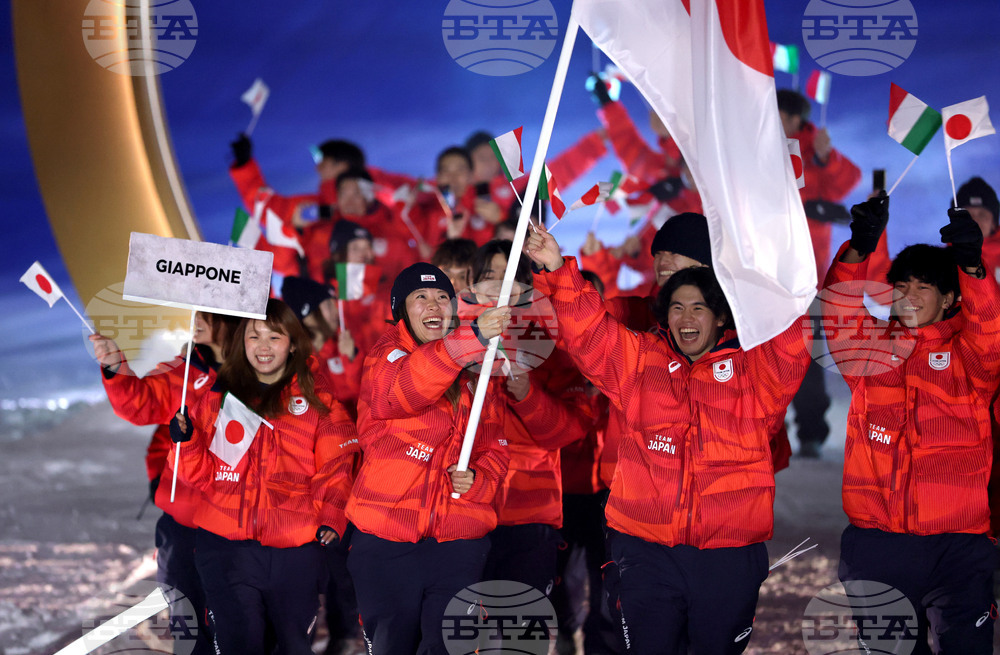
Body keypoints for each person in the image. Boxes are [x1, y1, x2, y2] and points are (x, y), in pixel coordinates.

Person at [525, 224, 812, 654]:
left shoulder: (757, 373)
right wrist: (555, 266)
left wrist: (776, 259)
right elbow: (588, 332)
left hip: (727, 553)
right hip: (646, 550)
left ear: (720, 315)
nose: (686, 318)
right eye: (676, 307)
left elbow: (793, 333)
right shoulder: (641, 361)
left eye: (698, 307)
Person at [824, 194, 1000, 653]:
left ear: (948, 299)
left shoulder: (971, 358)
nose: (907, 296)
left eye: (922, 288)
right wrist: (858, 248)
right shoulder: (869, 354)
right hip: (878, 545)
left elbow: (989, 327)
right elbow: (838, 311)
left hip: (957, 548)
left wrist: (973, 269)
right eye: (899, 286)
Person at [170, 299, 359, 655]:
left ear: (292, 343)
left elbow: (336, 471)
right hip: (226, 547)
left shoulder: (319, 401)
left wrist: (331, 518)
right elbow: (201, 476)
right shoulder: (219, 399)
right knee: (239, 644)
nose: (264, 346)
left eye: (275, 337)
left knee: (291, 647)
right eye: (255, 336)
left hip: (295, 550)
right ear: (242, 342)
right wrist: (187, 442)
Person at [346, 263, 512, 653]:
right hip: (387, 541)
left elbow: (496, 446)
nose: (433, 305)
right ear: (401, 310)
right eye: (420, 297)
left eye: (442, 297)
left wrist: (478, 479)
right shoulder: (386, 357)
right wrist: (468, 340)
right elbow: (403, 391)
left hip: (458, 543)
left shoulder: (477, 369)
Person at [90, 312, 238, 655]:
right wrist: (115, 366)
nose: (194, 320)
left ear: (230, 320)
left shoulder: (260, 374)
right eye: (195, 313)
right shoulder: (183, 371)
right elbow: (139, 402)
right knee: (186, 621)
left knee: (236, 622)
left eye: (206, 315)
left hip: (239, 523)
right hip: (184, 520)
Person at [467, 240, 594, 599]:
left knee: (519, 635)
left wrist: (525, 393)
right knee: (464, 634)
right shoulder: (456, 339)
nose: (495, 285)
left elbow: (567, 432)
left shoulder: (549, 340)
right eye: (488, 275)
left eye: (506, 276)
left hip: (528, 513)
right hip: (467, 511)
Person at [777, 89, 862, 458]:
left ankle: (810, 433)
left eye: (782, 115)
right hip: (769, 273)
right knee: (763, 353)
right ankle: (764, 432)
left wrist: (827, 157)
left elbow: (847, 182)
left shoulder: (816, 151)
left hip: (808, 276)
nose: (776, 121)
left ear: (798, 119)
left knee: (809, 357)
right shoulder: (759, 149)